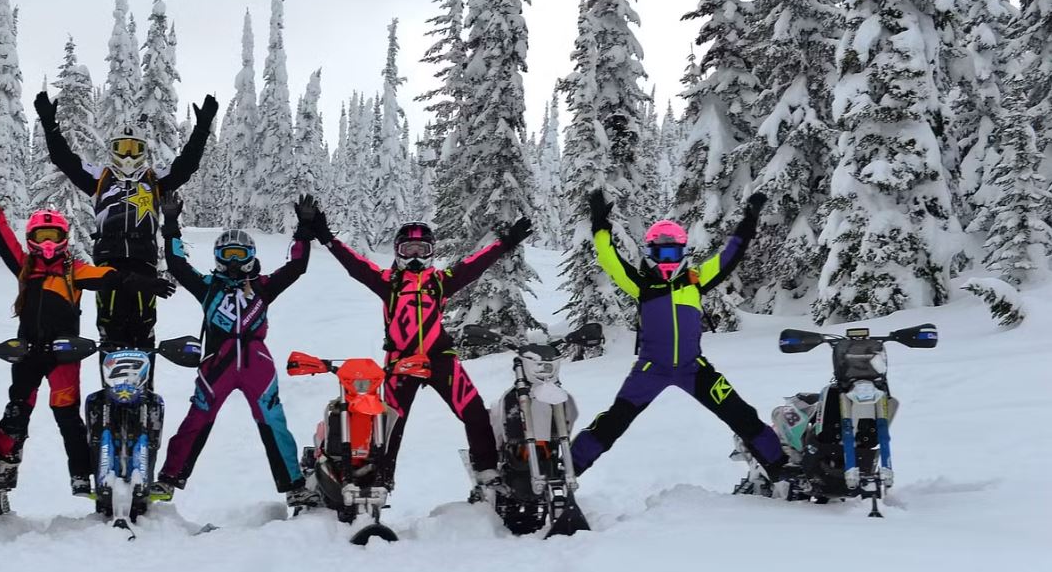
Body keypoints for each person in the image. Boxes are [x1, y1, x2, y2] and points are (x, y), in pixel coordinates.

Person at [0, 172, 173, 496]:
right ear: (32, 237)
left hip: (64, 354)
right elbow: (2, 232)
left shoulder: (73, 270)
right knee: (16, 413)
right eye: (41, 234)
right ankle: (3, 469)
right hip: (27, 353)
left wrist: (147, 283)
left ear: (63, 237)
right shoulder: (24, 267)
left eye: (53, 234)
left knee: (67, 417)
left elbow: (110, 277)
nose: (48, 242)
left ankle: (81, 476)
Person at [570, 189, 787, 481]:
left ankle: (779, 465)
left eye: (674, 252)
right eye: (662, 252)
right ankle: (568, 467)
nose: (668, 259)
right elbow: (609, 259)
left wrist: (749, 219)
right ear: (651, 253)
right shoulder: (642, 284)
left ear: (683, 252)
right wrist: (600, 224)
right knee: (614, 421)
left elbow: (730, 255)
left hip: (692, 368)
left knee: (740, 412)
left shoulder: (695, 281)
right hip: (650, 369)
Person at [315, 212, 534, 497]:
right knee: (388, 424)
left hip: (440, 359)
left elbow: (474, 266)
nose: (416, 256)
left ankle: (487, 470)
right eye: (409, 250)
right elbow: (356, 266)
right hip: (401, 363)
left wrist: (505, 243)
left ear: (432, 252)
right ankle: (380, 477)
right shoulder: (388, 282)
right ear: (398, 252)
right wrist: (328, 239)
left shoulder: (441, 282)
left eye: (423, 250)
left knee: (474, 412)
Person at [151, 193, 320, 500]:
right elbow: (177, 264)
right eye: (227, 253)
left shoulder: (263, 287)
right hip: (218, 362)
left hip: (257, 362)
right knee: (196, 420)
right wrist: (172, 224)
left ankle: (294, 487)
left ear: (250, 256)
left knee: (274, 423)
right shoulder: (207, 287)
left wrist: (304, 231)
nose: (233, 260)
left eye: (239, 253)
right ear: (218, 256)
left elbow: (296, 267)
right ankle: (168, 479)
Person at [32, 90, 216, 354]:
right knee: (109, 326)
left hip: (144, 261)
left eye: (134, 148)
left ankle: (145, 384)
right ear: (113, 149)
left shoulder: (154, 178)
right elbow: (65, 160)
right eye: (122, 148)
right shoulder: (99, 177)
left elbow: (185, 166)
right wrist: (50, 126)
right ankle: (110, 382)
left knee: (144, 325)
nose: (128, 155)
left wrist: (201, 129)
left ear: (143, 150)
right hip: (109, 261)